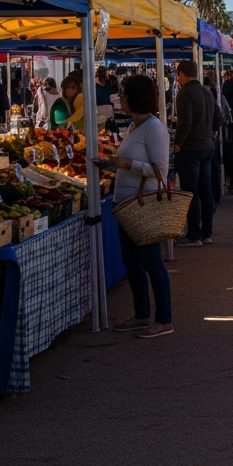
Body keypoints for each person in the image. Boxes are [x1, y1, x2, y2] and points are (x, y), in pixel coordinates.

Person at [92, 75, 173, 339]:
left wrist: (128, 165)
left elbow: (160, 171)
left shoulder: (154, 128)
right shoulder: (134, 126)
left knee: (151, 261)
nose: (120, 98)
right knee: (132, 262)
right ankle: (142, 313)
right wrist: (109, 163)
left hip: (144, 204)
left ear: (137, 97)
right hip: (125, 203)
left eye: (124, 94)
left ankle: (164, 319)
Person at [172, 60, 217, 247]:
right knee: (206, 191)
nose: (177, 79)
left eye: (178, 75)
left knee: (191, 192)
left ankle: (194, 235)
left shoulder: (185, 94)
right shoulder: (207, 92)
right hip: (207, 147)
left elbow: (185, 123)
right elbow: (219, 119)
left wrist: (177, 143)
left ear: (182, 74)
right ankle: (207, 233)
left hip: (191, 149)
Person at [219, 70, 233, 196]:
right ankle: (231, 181)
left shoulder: (227, 86)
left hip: (227, 127)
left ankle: (230, 181)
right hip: (230, 126)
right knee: (230, 154)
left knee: (228, 154)